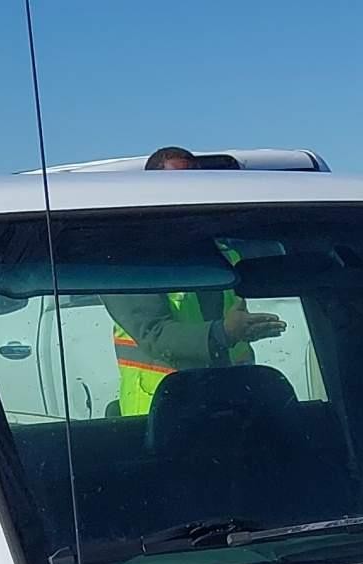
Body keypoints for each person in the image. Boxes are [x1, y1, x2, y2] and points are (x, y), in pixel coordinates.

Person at [109, 147, 284, 414]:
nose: (190, 192)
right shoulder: (131, 262)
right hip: (159, 416)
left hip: (233, 406)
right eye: (176, 185)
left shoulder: (226, 254)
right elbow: (154, 334)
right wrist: (224, 333)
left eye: (196, 183)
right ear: (149, 189)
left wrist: (246, 329)